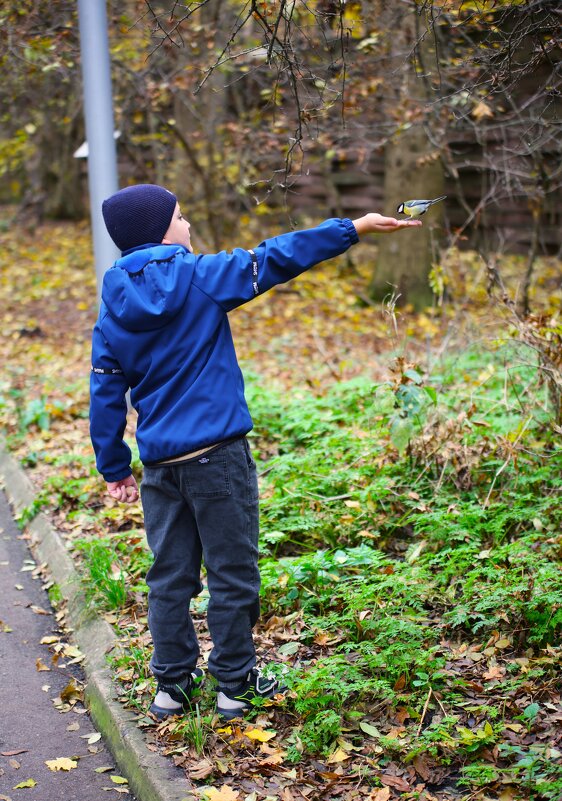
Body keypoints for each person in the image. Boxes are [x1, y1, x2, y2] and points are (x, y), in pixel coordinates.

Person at [89, 183, 421, 721]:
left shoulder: (113, 304)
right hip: (218, 458)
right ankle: (235, 685)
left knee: (169, 577)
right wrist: (353, 227)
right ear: (159, 229)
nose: (189, 224)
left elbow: (105, 387)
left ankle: (171, 687)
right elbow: (275, 257)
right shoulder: (201, 277)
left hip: (159, 469)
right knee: (232, 573)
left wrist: (112, 465)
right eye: (180, 216)